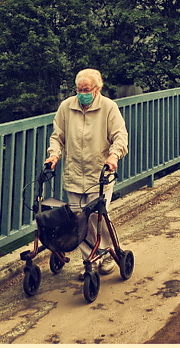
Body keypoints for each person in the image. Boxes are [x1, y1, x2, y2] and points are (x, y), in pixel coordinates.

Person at [45, 68, 129, 274]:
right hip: (74, 173)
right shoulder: (66, 107)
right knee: (76, 220)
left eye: (86, 89)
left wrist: (114, 155)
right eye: (79, 89)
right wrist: (54, 155)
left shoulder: (109, 107)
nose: (82, 93)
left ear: (97, 89)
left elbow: (120, 136)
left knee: (96, 217)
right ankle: (90, 260)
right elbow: (58, 136)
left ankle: (107, 253)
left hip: (98, 174)